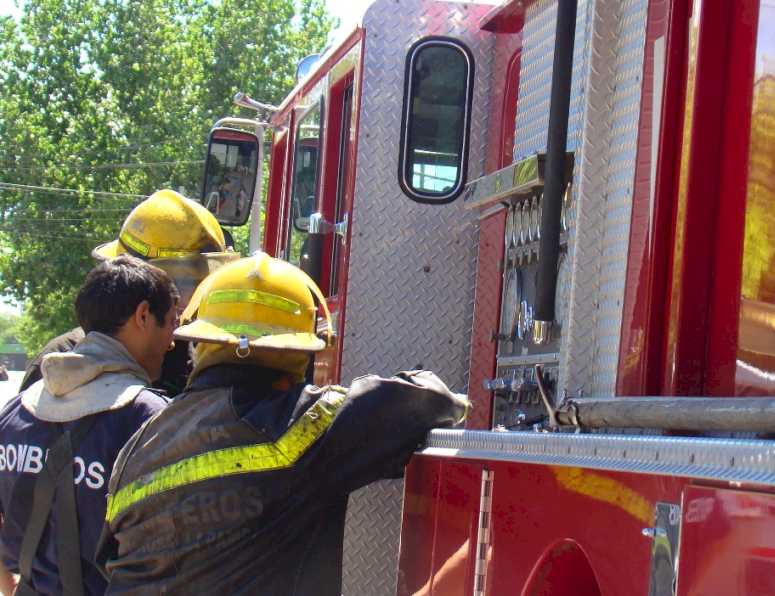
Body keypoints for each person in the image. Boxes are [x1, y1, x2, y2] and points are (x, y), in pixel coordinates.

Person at [96, 254, 469, 595]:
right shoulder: (302, 426)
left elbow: (108, 560)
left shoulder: (142, 441)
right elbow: (429, 399)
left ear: (201, 344)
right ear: (300, 354)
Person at [0, 256, 179, 595]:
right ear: (143, 316)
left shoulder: (14, 412)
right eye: (170, 322)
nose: (172, 341)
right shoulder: (150, 418)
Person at [19, 189, 236, 395]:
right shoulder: (59, 363)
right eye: (178, 287)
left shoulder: (196, 361)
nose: (187, 303)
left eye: (199, 284)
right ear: (133, 280)